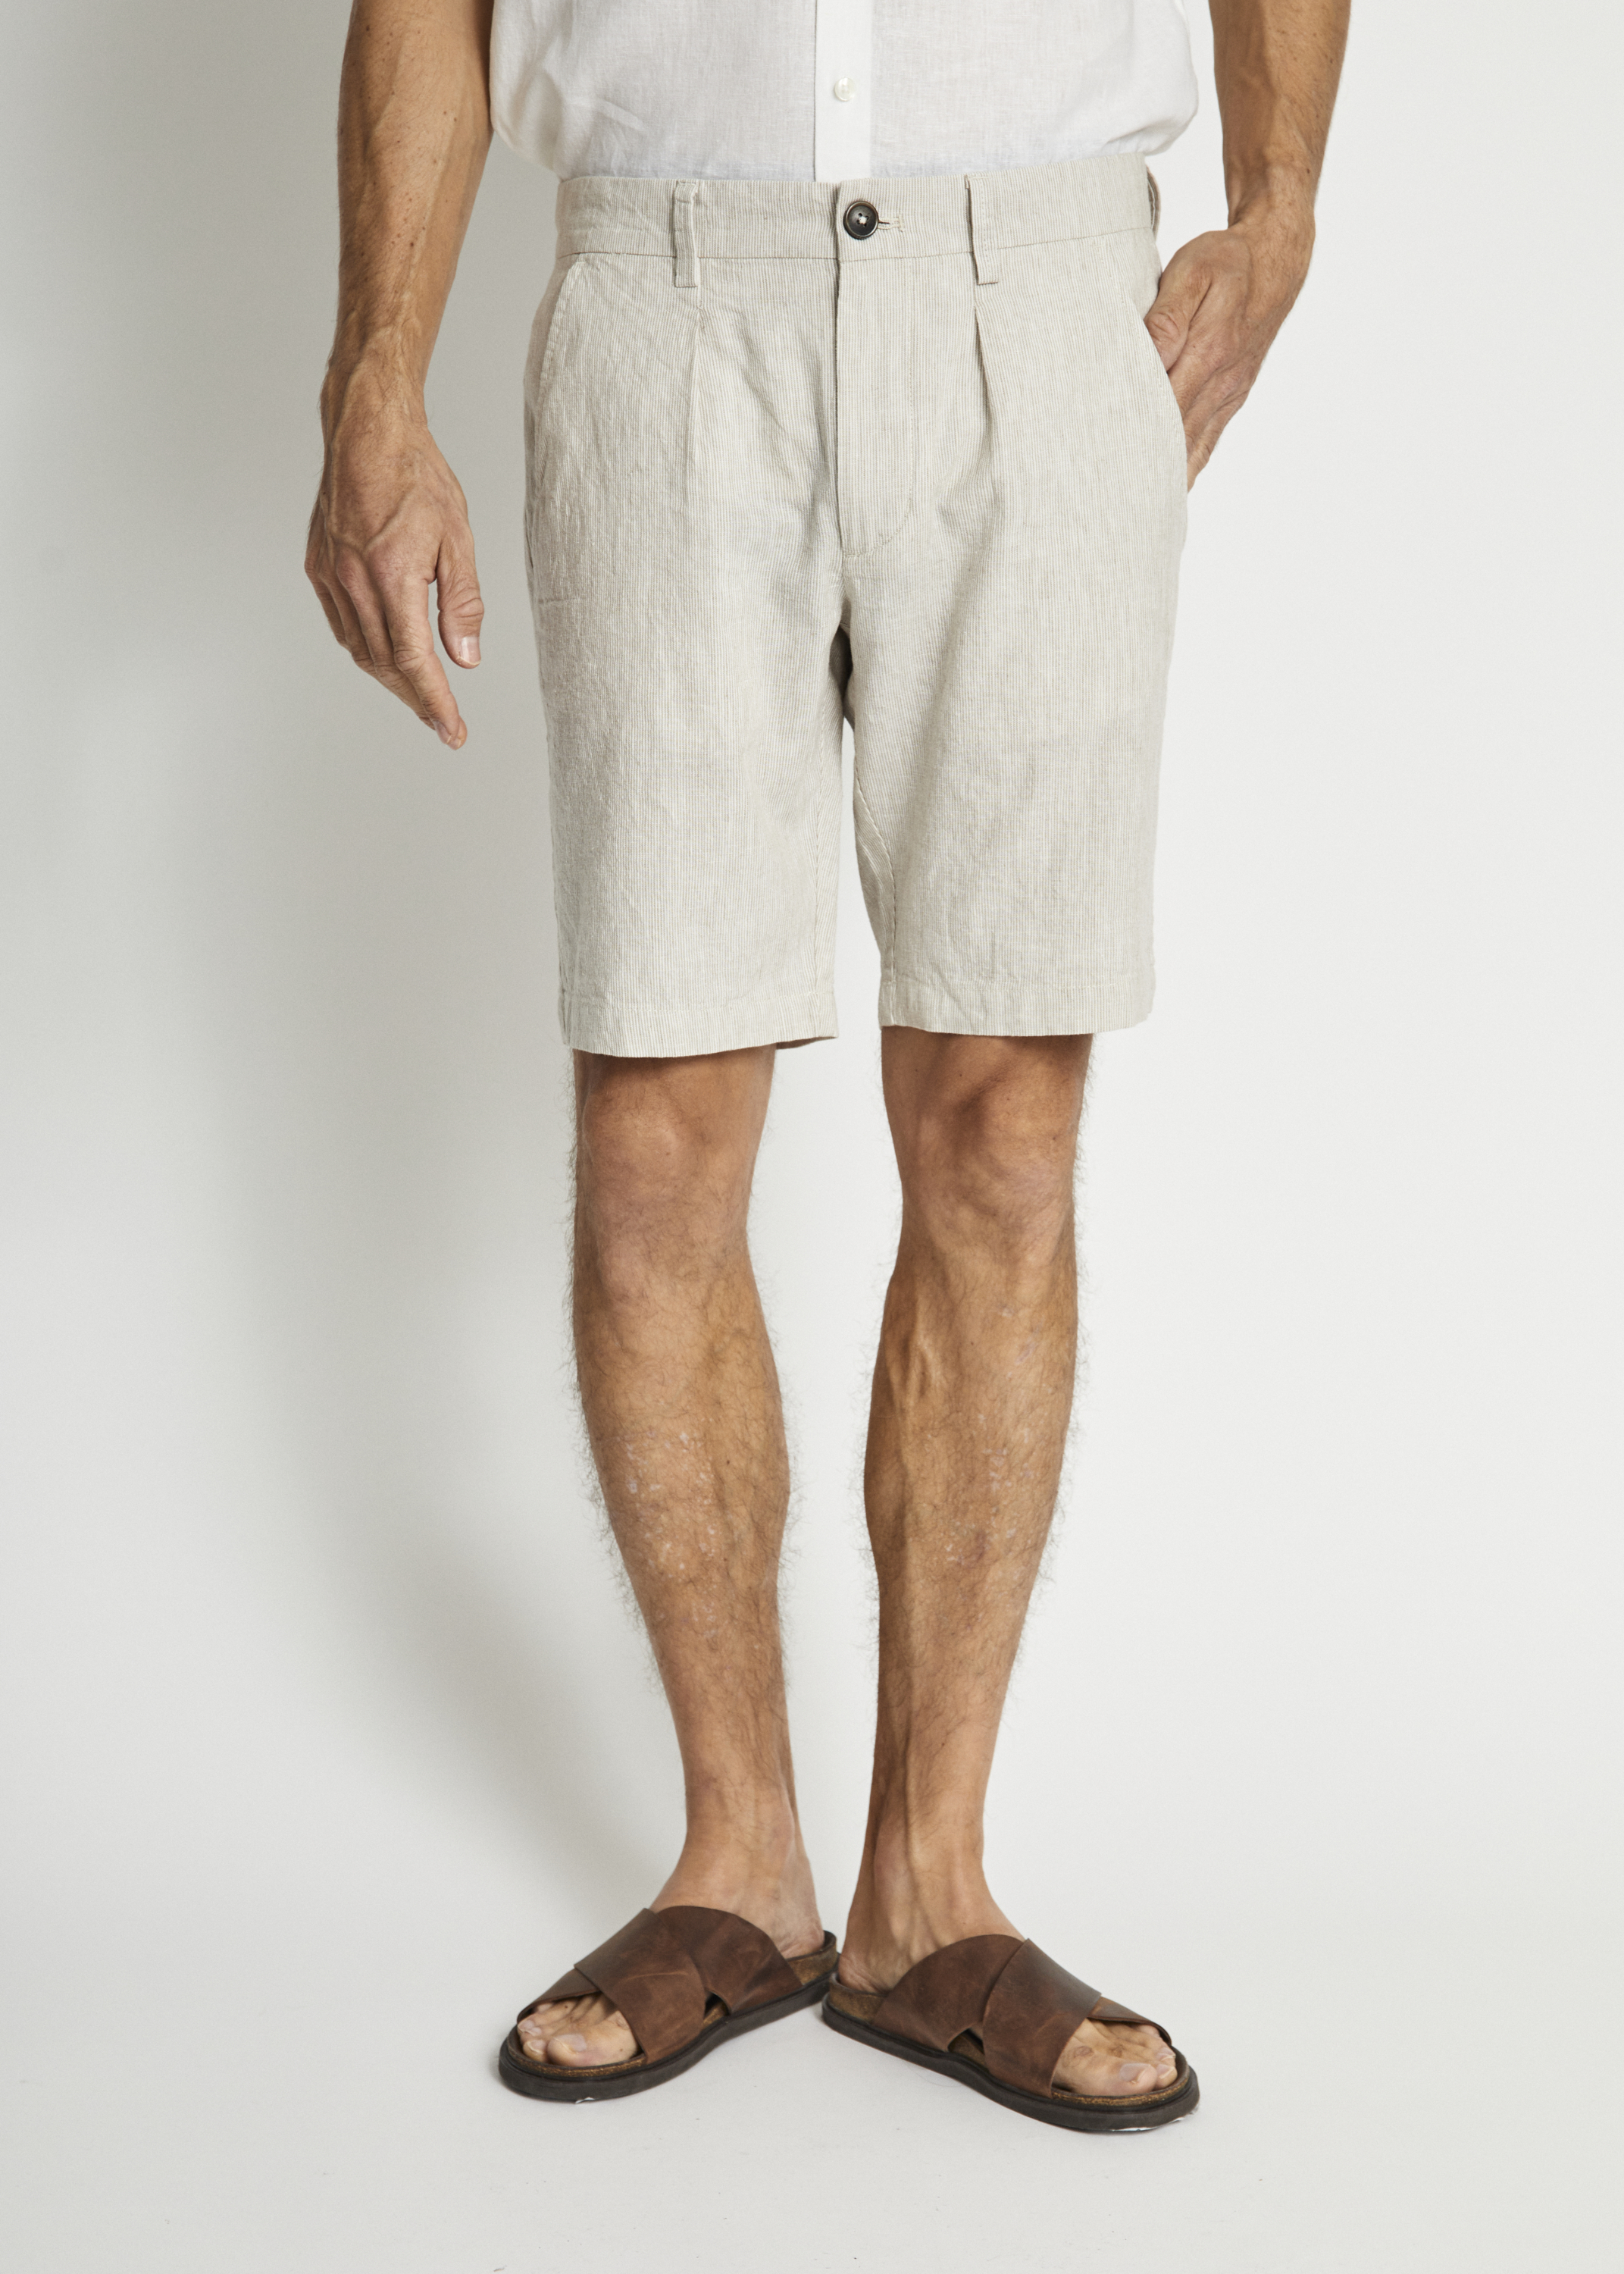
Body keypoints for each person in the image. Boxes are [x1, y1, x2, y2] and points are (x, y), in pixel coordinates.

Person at [306, 0, 1347, 2131]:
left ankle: (929, 1895)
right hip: (664, 307)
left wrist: (1282, 205)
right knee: (654, 1139)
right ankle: (743, 1867)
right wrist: (375, 379)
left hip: (1041, 297)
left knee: (1004, 1130)